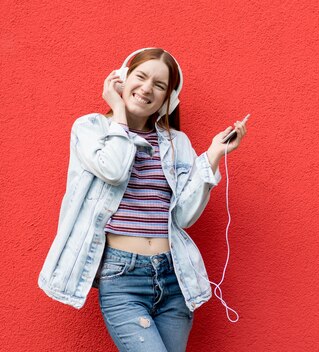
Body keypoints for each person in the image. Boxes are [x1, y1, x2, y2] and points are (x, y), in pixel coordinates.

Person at [38, 48, 247, 351]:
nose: (147, 88)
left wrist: (213, 155)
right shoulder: (90, 128)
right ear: (122, 78)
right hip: (123, 278)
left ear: (168, 99)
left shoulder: (178, 143)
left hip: (175, 277)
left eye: (160, 85)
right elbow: (114, 169)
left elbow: (184, 217)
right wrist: (119, 113)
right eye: (141, 77)